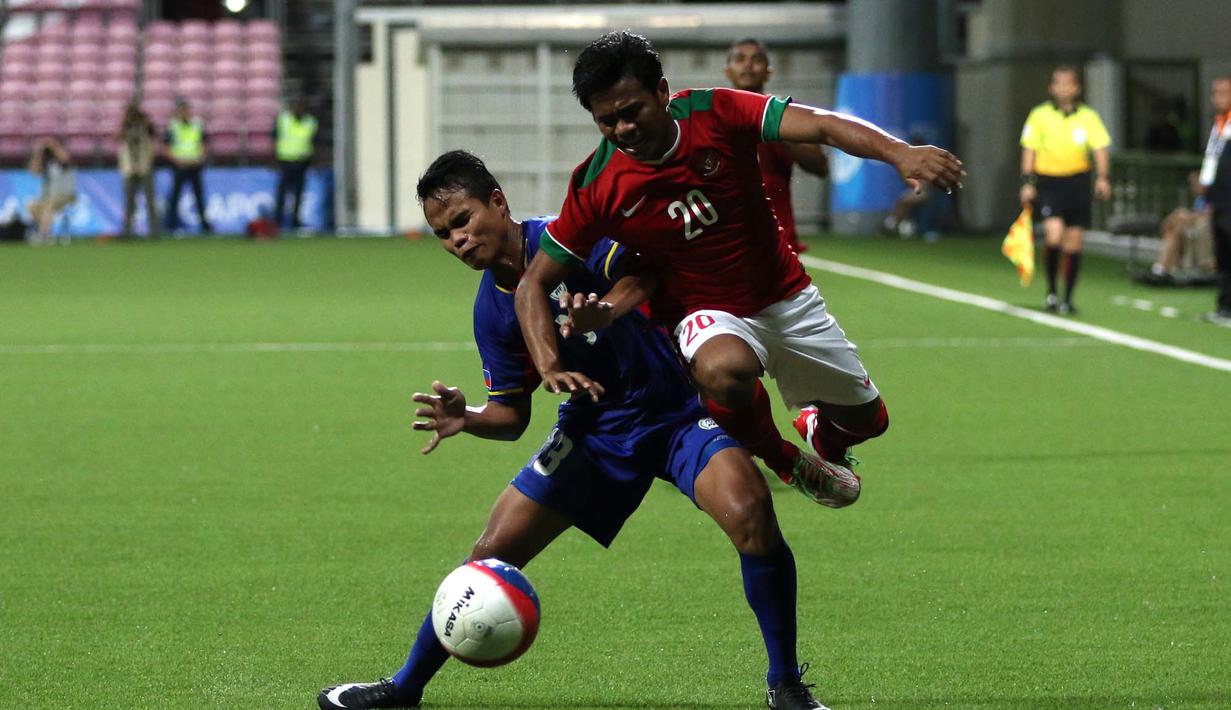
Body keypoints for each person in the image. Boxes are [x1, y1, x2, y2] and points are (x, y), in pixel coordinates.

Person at [316, 150, 835, 710]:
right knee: (490, 553)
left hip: (676, 413)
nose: (457, 241)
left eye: (463, 220)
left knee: (752, 512)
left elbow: (648, 272)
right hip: (594, 435)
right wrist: (465, 420)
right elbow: (511, 415)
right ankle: (404, 689)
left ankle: (785, 686)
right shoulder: (491, 310)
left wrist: (605, 309)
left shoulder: (568, 240)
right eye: (443, 234)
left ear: (498, 202)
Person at [514, 31, 963, 507]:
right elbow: (532, 284)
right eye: (607, 121)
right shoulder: (598, 186)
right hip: (704, 310)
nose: (623, 129)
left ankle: (823, 436)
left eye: (632, 112)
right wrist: (550, 364)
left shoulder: (716, 112)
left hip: (785, 295)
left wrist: (899, 152)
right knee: (724, 369)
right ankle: (786, 459)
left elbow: (824, 126)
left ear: (662, 93)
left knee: (869, 422)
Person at [1018, 65, 1112, 315]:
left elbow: (1100, 148)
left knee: (1074, 243)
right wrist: (1027, 181)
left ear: (1077, 88)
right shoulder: (1040, 115)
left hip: (1078, 182)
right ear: (1051, 87)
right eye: (1058, 83)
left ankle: (1068, 297)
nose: (1063, 88)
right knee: (1053, 236)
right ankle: (1051, 291)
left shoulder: (1088, 117)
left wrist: (1102, 178)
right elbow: (1030, 148)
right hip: (1050, 182)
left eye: (1068, 84)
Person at [724, 38, 829, 254]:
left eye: (757, 59)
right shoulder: (716, 113)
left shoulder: (787, 112)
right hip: (730, 237)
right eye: (740, 59)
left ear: (768, 72)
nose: (748, 65)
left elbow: (820, 166)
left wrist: (777, 127)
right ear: (728, 71)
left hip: (779, 238)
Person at [1200, 75, 1231, 325]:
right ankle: (1224, 306)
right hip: (1219, 200)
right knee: (1223, 253)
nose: (1217, 98)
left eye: (1223, 93)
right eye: (1215, 93)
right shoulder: (1218, 124)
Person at [1146, 171, 1214, 283]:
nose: (1193, 187)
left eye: (1195, 184)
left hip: (1205, 230)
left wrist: (1186, 217)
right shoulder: (1200, 199)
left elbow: (1208, 214)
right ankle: (1162, 268)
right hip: (1194, 229)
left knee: (1178, 227)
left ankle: (1163, 268)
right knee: (1173, 231)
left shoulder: (1215, 197)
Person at [163, 98, 213, 233]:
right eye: (182, 111)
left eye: (186, 110)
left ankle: (205, 225)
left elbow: (205, 143)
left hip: (195, 165)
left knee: (199, 196)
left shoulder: (197, 124)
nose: (185, 113)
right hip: (179, 166)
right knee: (174, 196)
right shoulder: (173, 126)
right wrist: (177, 161)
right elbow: (166, 147)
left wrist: (200, 157)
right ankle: (170, 225)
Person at [272, 97, 318, 231]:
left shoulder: (311, 122)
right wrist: (274, 159)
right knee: (282, 193)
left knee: (299, 193)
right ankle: (278, 221)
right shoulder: (283, 120)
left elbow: (314, 142)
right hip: (285, 161)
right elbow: (275, 139)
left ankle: (295, 221)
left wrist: (314, 161)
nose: (298, 110)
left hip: (302, 162)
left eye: (301, 107)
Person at [116, 99, 159, 239]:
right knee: (129, 202)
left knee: (150, 200)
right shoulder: (125, 126)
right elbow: (118, 138)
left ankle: (153, 231)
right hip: (130, 167)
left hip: (144, 165)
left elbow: (154, 135)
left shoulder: (145, 125)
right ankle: (128, 230)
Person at [26, 135, 75, 244]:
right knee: (31, 206)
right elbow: (33, 171)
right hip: (48, 196)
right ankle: (45, 231)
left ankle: (44, 235)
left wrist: (53, 144)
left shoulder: (62, 163)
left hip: (65, 195)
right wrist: (39, 151)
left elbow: (65, 158)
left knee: (49, 205)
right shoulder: (46, 163)